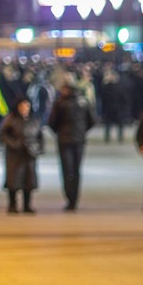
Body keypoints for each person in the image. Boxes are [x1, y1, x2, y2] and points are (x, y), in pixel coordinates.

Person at [45, 81, 94, 211]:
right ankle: (74, 197)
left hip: (64, 140)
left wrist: (59, 132)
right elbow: (92, 121)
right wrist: (82, 131)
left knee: (67, 169)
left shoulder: (60, 103)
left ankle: (69, 197)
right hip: (79, 140)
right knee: (76, 169)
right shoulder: (83, 102)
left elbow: (52, 122)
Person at [1, 97, 41, 214]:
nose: (25, 109)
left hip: (29, 154)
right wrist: (14, 144)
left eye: (27, 106)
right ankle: (12, 204)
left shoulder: (33, 120)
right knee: (14, 180)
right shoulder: (11, 119)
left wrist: (37, 148)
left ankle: (27, 205)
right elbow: (3, 134)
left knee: (28, 180)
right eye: (22, 106)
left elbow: (39, 136)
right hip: (15, 155)